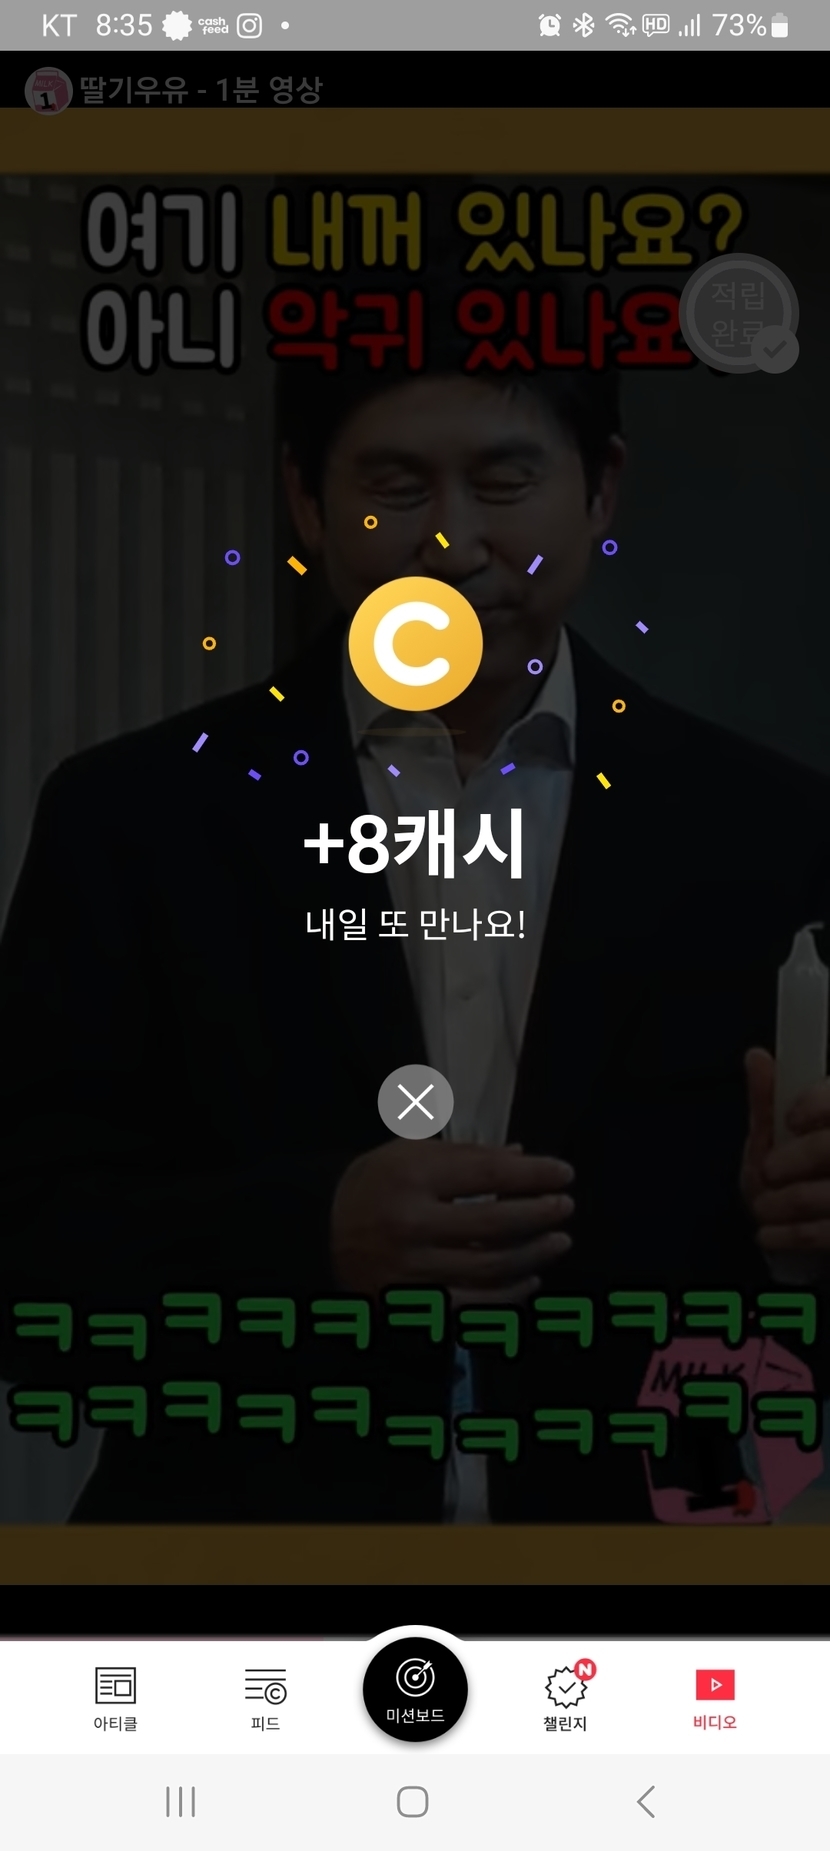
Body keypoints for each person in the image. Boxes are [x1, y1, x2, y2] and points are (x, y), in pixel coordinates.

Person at [1, 281, 829, 1525]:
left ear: (599, 491)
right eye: (393, 487)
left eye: (503, 483)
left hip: (632, 1571)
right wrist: (312, 1236)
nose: (450, 542)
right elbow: (27, 1272)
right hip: (241, 1564)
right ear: (305, 501)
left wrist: (798, 1246)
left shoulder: (767, 829)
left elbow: (777, 1323)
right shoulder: (135, 819)